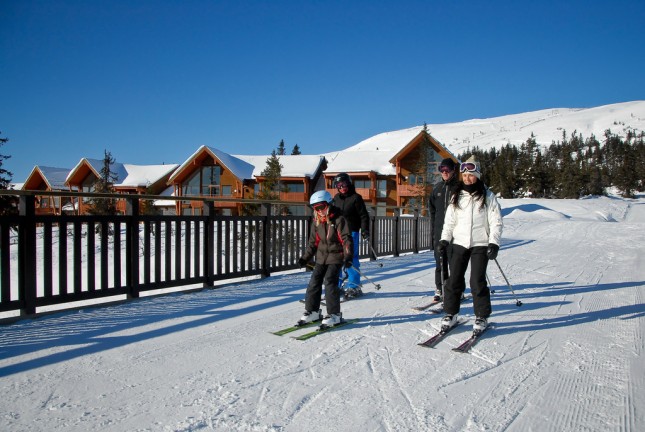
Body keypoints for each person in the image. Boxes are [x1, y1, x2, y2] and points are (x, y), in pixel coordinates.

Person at [437, 156, 503, 333]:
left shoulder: (488, 196)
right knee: (454, 280)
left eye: (471, 175)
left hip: (480, 244)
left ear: (478, 176)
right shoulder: (456, 196)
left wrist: (494, 243)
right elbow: (449, 222)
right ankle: (451, 313)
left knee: (477, 281)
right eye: (464, 175)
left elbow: (496, 221)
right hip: (459, 243)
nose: (467, 178)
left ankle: (481, 315)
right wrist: (444, 239)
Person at [297, 190, 354, 327]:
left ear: (329, 204)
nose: (319, 211)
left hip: (336, 256)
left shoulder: (339, 219)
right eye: (315, 208)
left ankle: (334, 315)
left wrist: (348, 257)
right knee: (314, 281)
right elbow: (313, 243)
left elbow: (346, 239)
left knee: (329, 281)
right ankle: (313, 311)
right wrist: (305, 258)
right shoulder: (317, 221)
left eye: (321, 207)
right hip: (321, 257)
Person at [331, 173, 370, 298]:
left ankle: (353, 286)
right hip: (337, 233)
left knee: (351, 258)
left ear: (349, 183)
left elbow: (364, 216)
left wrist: (364, 230)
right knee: (336, 258)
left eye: (344, 184)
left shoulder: (356, 198)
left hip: (352, 232)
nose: (342, 187)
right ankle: (336, 285)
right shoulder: (336, 198)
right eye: (339, 185)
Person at [429, 158, 459, 302]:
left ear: (453, 170)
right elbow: (432, 211)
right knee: (440, 262)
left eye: (447, 169)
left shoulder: (459, 188)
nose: (445, 172)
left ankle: (456, 290)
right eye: (442, 169)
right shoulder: (437, 188)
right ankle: (440, 289)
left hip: (456, 233)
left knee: (455, 263)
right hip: (440, 232)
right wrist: (434, 230)